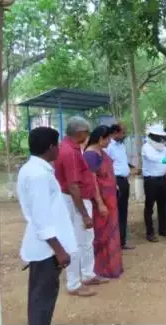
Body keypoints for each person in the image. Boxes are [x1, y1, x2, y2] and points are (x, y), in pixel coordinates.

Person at [17, 127, 76, 325]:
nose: (59, 148)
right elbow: (41, 217)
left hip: (46, 244)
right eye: (57, 145)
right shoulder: (38, 176)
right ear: (51, 147)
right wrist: (60, 251)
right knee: (43, 298)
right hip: (46, 248)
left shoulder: (33, 169)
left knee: (41, 296)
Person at [55, 116, 108, 297]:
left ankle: (87, 274)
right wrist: (84, 214)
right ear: (79, 132)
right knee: (76, 242)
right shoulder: (69, 152)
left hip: (78, 200)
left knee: (86, 240)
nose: (88, 135)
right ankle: (74, 283)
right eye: (86, 132)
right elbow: (73, 186)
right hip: (74, 201)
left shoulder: (73, 148)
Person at [83, 126, 123, 279]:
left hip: (111, 198)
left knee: (112, 232)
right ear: (100, 139)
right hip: (101, 200)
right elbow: (92, 182)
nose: (109, 142)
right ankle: (99, 268)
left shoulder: (101, 152)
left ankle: (112, 266)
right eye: (107, 139)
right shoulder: (90, 155)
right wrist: (100, 203)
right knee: (101, 234)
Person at [105, 123, 135, 250]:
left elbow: (122, 162)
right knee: (114, 212)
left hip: (124, 181)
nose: (124, 135)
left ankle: (122, 241)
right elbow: (107, 166)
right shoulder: (109, 147)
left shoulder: (121, 145)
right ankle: (113, 242)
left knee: (123, 211)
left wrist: (131, 168)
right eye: (123, 132)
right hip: (115, 182)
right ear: (115, 133)